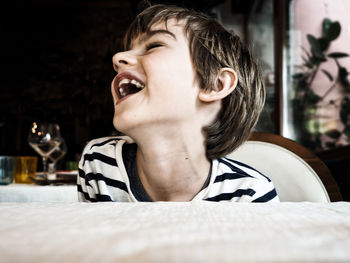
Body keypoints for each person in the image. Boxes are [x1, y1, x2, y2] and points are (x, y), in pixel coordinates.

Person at [77, 4, 279, 202]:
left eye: (153, 46)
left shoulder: (249, 193)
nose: (118, 57)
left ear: (215, 85)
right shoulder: (99, 164)